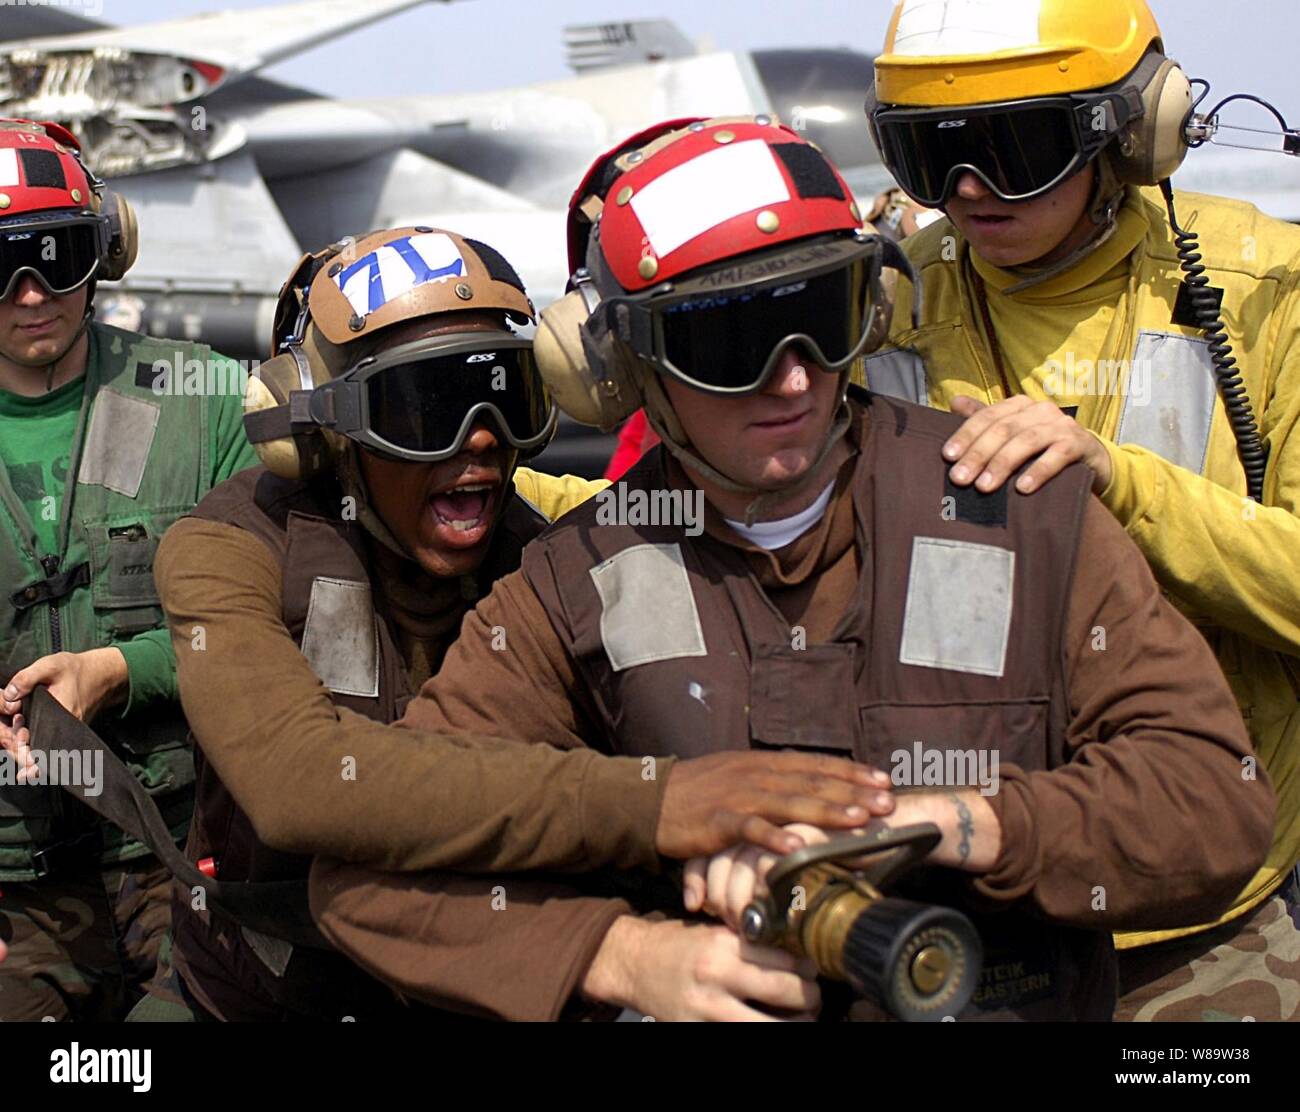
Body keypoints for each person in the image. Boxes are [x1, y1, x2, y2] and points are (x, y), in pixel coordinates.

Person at [307, 117, 1274, 1021]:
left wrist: (953, 824)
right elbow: (366, 869)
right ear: (629, 365)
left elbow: (1214, 799)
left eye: (821, 312)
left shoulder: (1018, 509)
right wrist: (622, 955)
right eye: (732, 340)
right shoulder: (578, 580)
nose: (796, 377)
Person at [107, 225, 893, 1021]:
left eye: (504, 392)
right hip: (255, 998)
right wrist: (660, 804)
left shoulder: (547, 562)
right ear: (326, 429)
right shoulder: (228, 550)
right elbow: (296, 783)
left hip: (476, 989)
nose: (480, 436)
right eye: (426, 408)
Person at [864, 0, 1300, 1020]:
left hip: (1197, 917)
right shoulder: (886, 302)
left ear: (1132, 130)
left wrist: (1122, 482)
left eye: (1011, 149)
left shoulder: (1263, 291)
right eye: (929, 155)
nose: (966, 190)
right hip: (953, 917)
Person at [0, 119, 259, 1020]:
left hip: (186, 852)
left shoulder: (204, 401)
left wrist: (119, 670)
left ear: (107, 247)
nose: (30, 293)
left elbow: (272, 619)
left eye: (55, 255)